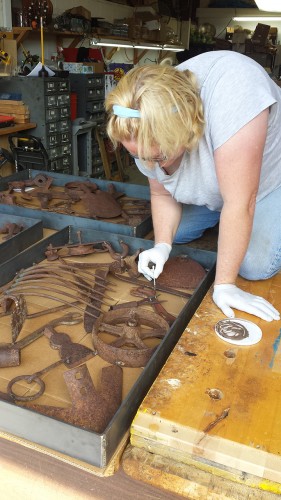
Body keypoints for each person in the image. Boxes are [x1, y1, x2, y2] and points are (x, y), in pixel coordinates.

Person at [105, 50, 281, 322]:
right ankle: (223, 219)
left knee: (253, 264)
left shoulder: (236, 94)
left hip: (270, 179)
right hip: (224, 182)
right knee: (178, 234)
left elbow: (240, 202)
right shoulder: (140, 116)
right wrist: (162, 245)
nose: (151, 165)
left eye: (158, 156)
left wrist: (225, 284)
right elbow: (160, 191)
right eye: (139, 157)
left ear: (185, 130)